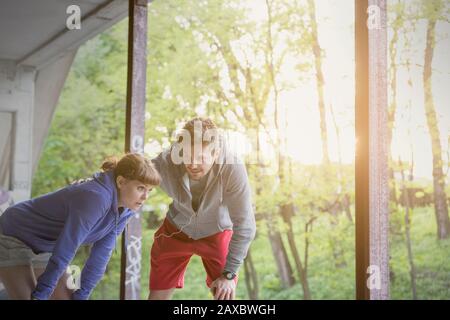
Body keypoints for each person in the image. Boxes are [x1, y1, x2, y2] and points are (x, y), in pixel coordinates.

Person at [0, 153, 160, 300]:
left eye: (149, 190)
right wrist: (41, 294)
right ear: (121, 182)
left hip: (45, 246)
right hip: (14, 234)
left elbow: (101, 255)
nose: (145, 197)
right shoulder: (96, 197)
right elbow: (67, 248)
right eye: (140, 188)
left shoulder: (126, 209)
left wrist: (82, 295)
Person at [148, 118, 256, 300]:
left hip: (217, 232)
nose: (192, 164)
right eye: (187, 156)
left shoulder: (233, 168)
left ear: (216, 153)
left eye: (200, 158)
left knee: (225, 293)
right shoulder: (166, 161)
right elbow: (135, 173)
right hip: (175, 230)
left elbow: (245, 224)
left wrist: (229, 275)